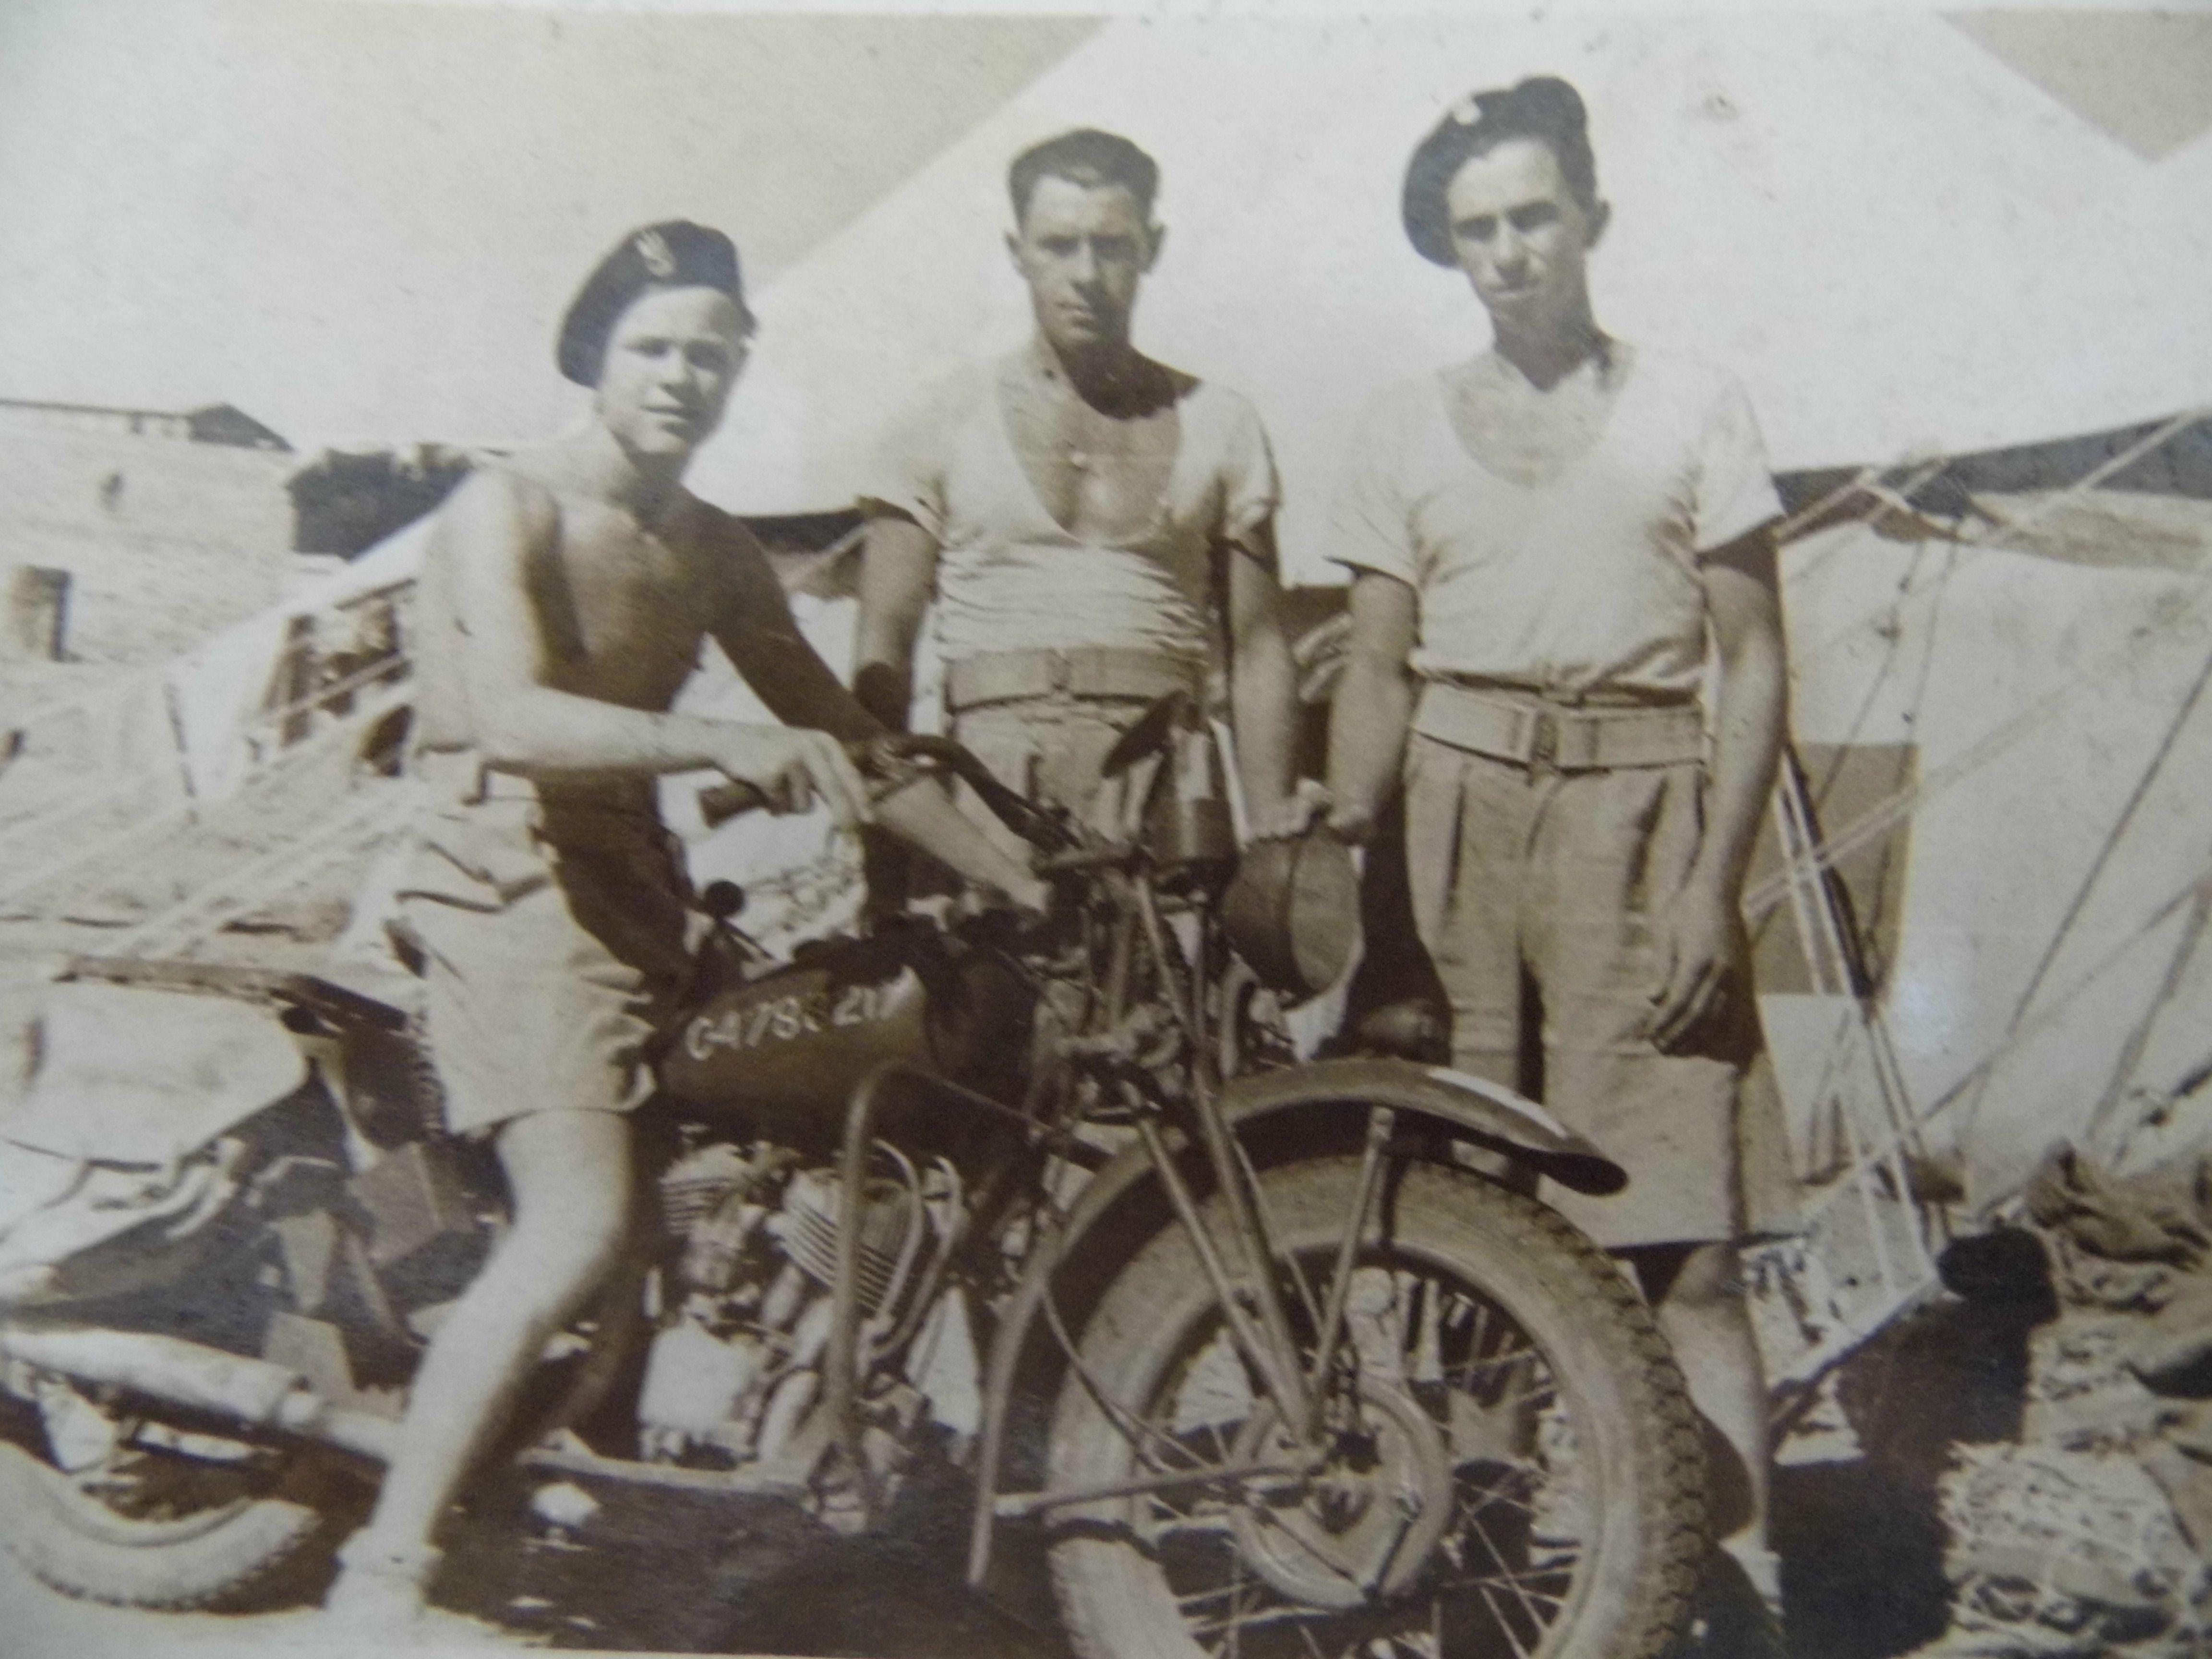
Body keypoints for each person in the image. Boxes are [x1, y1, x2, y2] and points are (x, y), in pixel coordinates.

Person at [326, 221, 1048, 1630]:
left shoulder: (709, 544)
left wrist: (1019, 879)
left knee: (742, 1165)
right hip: (505, 885)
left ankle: (611, 1462)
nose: (683, 377)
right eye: (656, 348)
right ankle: (386, 1563)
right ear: (596, 350)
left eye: (713, 356)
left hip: (641, 901)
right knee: (584, 1217)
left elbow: (836, 729)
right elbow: (514, 716)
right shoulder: (509, 509)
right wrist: (711, 739)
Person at [1322, 80, 1791, 1623]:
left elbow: (1755, 660)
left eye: (1535, 215)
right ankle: (1492, 1588)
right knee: (1466, 1234)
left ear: (1592, 217)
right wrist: (1358, 880)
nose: (1510, 251)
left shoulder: (1695, 403)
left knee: (1689, 1249)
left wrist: (1715, 888)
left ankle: (1734, 1598)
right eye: (1478, 228)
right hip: (1455, 829)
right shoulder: (1397, 424)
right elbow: (1379, 672)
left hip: (1644, 818)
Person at [852, 128, 1306, 855]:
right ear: (1017, 251)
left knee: (1181, 967)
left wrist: (1276, 842)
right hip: (991, 779)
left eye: (1112, 246)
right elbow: (883, 649)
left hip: (1169, 778)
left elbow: (1256, 648)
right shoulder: (937, 420)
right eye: (1059, 245)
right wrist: (886, 853)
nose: (1086, 273)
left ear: (1151, 248)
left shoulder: (1221, 422)